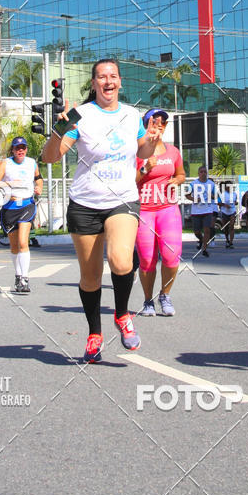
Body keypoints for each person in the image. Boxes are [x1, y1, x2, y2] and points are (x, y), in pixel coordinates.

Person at [41, 59, 160, 363]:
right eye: (101, 77)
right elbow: (51, 157)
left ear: (120, 82)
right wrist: (60, 127)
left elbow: (142, 151)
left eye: (113, 76)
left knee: (121, 261)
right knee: (91, 277)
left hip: (122, 199)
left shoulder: (132, 114)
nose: (108, 81)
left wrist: (150, 140)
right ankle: (94, 333)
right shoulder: (81, 115)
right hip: (85, 203)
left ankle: (122, 315)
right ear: (93, 84)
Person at [135, 108, 186, 317]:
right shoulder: (137, 152)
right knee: (147, 260)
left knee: (171, 255)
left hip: (168, 209)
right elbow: (130, 181)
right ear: (146, 126)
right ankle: (148, 301)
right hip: (144, 211)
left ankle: (165, 295)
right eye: (154, 122)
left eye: (163, 122)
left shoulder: (173, 151)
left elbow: (181, 173)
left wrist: (177, 180)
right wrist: (145, 168)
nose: (160, 125)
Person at [0, 137, 43, 294]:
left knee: (23, 242)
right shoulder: (5, 163)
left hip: (26, 205)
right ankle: (18, 275)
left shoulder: (31, 163)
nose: (20, 150)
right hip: (9, 207)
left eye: (23, 147)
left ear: (26, 149)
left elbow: (38, 178)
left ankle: (24, 278)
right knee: (14, 246)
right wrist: (9, 185)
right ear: (12, 150)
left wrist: (39, 187)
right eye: (17, 148)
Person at [187, 165, 217, 257]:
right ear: (198, 173)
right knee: (196, 231)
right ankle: (201, 239)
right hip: (196, 211)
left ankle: (204, 249)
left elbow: (216, 196)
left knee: (207, 230)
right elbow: (187, 195)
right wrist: (194, 199)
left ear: (207, 173)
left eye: (205, 172)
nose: (203, 173)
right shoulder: (193, 184)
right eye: (201, 172)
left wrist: (210, 196)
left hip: (207, 210)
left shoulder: (211, 184)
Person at [218, 181, 238, 248]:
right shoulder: (222, 194)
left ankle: (231, 242)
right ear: (226, 187)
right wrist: (224, 205)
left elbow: (235, 201)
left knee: (231, 226)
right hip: (225, 212)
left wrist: (235, 203)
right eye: (228, 186)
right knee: (226, 227)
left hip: (232, 211)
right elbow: (218, 203)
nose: (230, 188)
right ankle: (227, 240)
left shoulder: (234, 194)